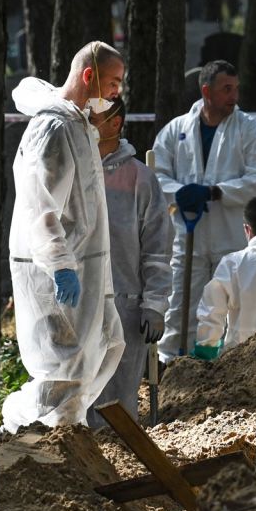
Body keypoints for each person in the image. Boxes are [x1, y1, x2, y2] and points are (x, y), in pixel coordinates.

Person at [2, 41, 127, 432]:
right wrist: (59, 266)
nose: (116, 92)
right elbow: (40, 206)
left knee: (107, 345)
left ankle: (59, 426)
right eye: (112, 82)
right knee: (66, 366)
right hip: (54, 268)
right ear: (89, 75)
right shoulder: (54, 128)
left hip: (84, 265)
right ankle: (37, 429)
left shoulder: (79, 125)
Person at [151, 59, 256, 363]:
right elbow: (155, 174)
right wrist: (179, 193)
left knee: (228, 305)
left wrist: (216, 192)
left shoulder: (249, 131)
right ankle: (172, 367)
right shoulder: (175, 131)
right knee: (180, 303)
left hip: (230, 235)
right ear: (206, 91)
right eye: (226, 89)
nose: (234, 96)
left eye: (236, 89)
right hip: (186, 236)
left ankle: (223, 367)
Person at [87, 97, 172, 425]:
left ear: (115, 124)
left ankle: (120, 469)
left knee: (118, 405)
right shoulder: (73, 173)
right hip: (78, 304)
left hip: (125, 307)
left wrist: (154, 304)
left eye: (94, 120)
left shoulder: (139, 180)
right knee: (77, 399)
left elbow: (158, 248)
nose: (88, 127)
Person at [193, 195, 256, 358]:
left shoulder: (233, 263)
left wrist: (205, 354)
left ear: (247, 230)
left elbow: (212, 313)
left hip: (240, 360)